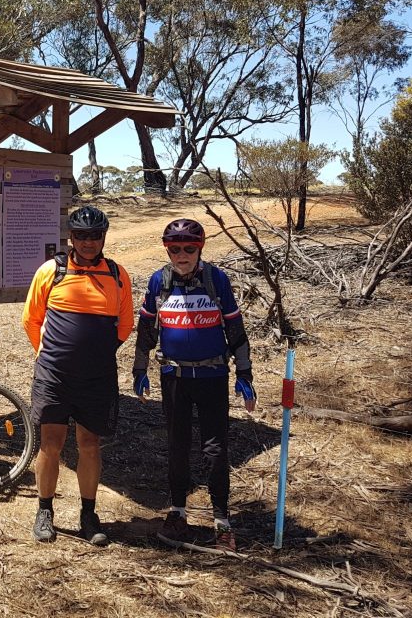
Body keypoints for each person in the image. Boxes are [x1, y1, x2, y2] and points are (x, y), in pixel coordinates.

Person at [133, 218, 256, 551]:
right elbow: (146, 329)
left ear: (200, 248)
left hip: (212, 376)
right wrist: (139, 369)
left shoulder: (216, 280)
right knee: (177, 446)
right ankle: (177, 512)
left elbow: (235, 330)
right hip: (174, 377)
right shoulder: (159, 281)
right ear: (167, 249)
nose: (182, 254)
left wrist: (245, 374)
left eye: (189, 248)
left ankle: (222, 521)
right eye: (175, 248)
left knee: (215, 451)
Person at [22, 205, 134, 546]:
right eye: (81, 236)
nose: (88, 243)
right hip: (54, 375)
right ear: (70, 237)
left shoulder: (117, 274)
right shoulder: (51, 271)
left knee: (89, 444)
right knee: (51, 444)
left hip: (96, 378)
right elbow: (31, 320)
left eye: (95, 236)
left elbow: (125, 325)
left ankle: (89, 513)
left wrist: (95, 355)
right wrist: (49, 356)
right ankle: (44, 511)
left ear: (103, 237)